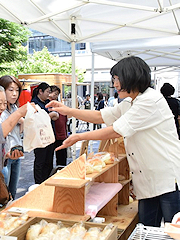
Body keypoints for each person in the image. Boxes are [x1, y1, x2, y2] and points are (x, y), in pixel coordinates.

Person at [46, 56, 180, 227]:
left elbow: (115, 130)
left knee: (173, 231)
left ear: (130, 76)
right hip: (148, 179)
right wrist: (68, 110)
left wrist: (80, 136)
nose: (114, 84)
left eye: (117, 79)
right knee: (147, 229)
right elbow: (100, 116)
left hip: (166, 178)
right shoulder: (131, 102)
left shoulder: (149, 101)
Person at [0, 75, 24, 199]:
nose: (14, 94)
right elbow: (2, 131)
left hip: (16, 154)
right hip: (5, 158)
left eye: (17, 90)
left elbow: (19, 132)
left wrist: (22, 122)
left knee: (13, 194)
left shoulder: (14, 107)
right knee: (4, 195)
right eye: (11, 90)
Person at [31, 82, 59, 184]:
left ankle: (47, 182)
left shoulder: (47, 102)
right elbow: (36, 119)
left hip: (50, 136)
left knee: (49, 161)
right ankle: (38, 184)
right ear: (40, 91)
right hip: (40, 137)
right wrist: (50, 115)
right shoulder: (34, 103)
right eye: (47, 92)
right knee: (40, 162)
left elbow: (55, 115)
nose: (49, 94)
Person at [49, 85, 67, 166]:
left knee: (62, 159)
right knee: (48, 160)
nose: (55, 96)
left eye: (57, 94)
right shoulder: (48, 106)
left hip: (62, 135)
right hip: (53, 136)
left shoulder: (60, 105)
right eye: (54, 93)